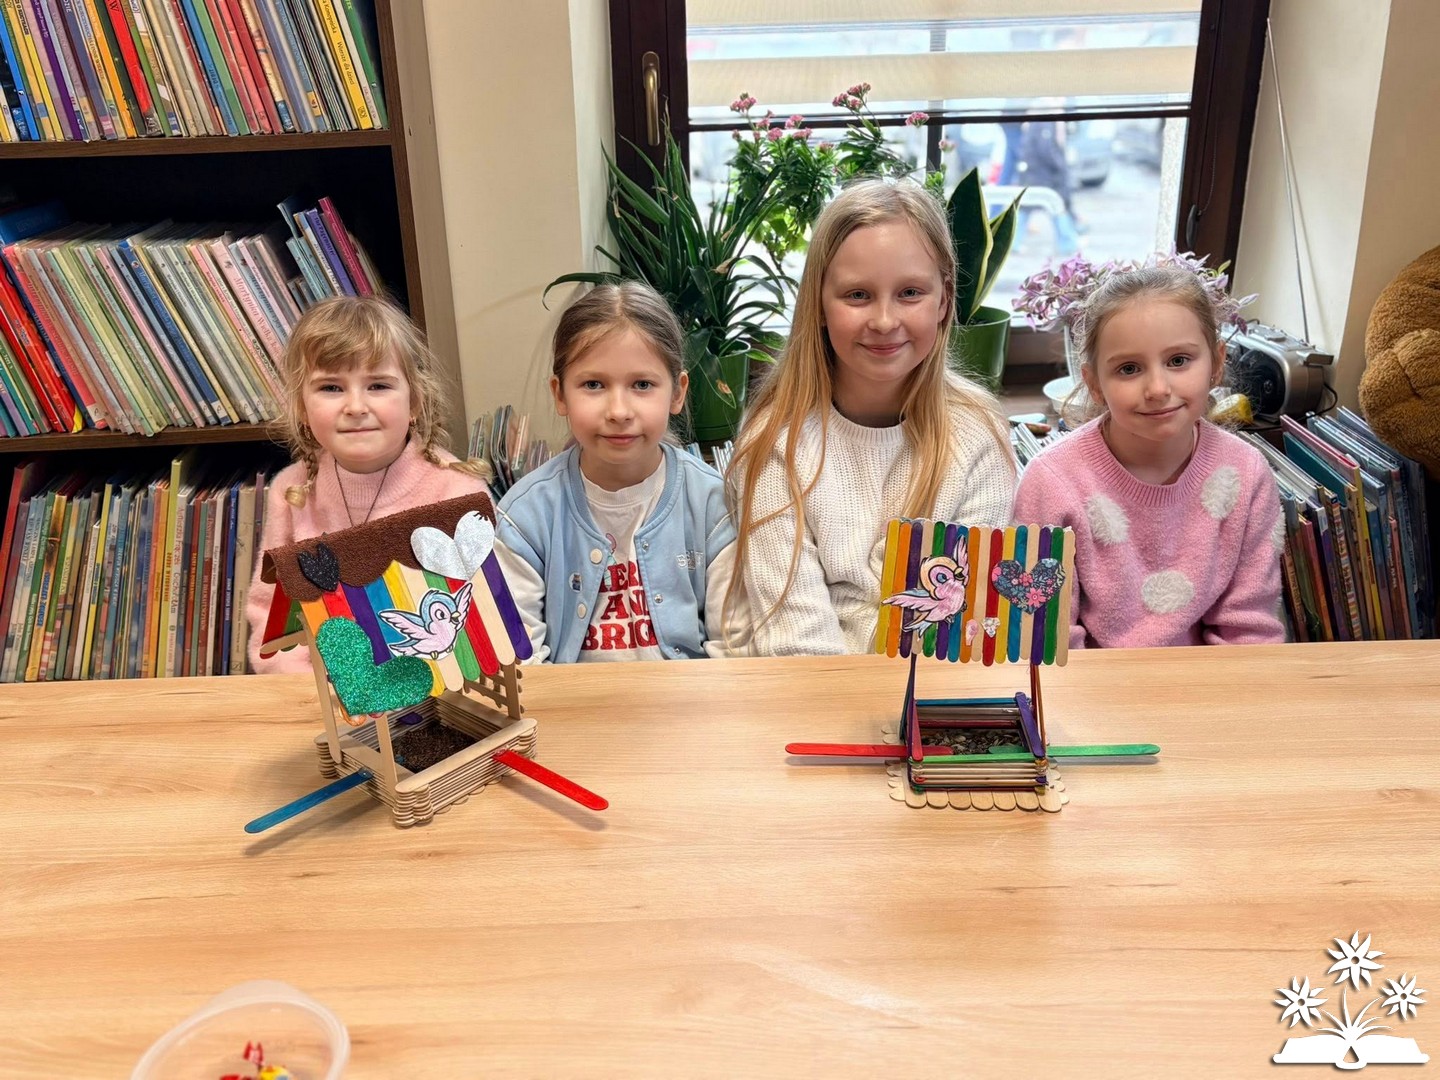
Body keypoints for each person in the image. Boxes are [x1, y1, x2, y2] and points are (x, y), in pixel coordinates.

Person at [727, 178, 1017, 656]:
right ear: (818, 305)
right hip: (812, 686)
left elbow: (957, 622)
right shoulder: (774, 441)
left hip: (932, 687)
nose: (884, 321)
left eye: (910, 293)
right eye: (858, 295)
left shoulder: (979, 430)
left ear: (945, 301)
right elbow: (796, 637)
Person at [1013, 265, 1286, 647]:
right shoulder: (1051, 482)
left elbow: (1249, 633)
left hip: (1213, 680)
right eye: (1129, 369)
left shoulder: (1247, 473)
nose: (1157, 388)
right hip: (1087, 681)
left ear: (1216, 363)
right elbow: (1042, 640)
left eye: (1178, 361)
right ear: (1095, 384)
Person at [493, 282, 743, 662]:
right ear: (560, 394)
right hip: (570, 701)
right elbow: (520, 660)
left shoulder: (713, 505)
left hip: (693, 699)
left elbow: (734, 650)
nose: (619, 411)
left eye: (642, 384)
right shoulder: (525, 518)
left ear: (677, 392)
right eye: (593, 384)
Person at [246, 296, 489, 674]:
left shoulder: (457, 492)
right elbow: (270, 617)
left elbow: (481, 620)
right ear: (301, 408)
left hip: (435, 689)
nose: (356, 407)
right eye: (331, 388)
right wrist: (306, 684)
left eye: (377, 385)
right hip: (317, 691)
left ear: (415, 402)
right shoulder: (291, 490)